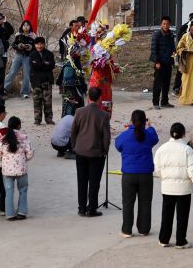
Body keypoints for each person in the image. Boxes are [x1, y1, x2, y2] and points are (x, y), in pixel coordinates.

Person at [154, 122, 193, 248]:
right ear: (183, 134)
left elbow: (158, 169)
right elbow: (192, 170)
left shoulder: (162, 149)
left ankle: (164, 239)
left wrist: (165, 177)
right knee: (182, 215)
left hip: (167, 187)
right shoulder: (187, 149)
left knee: (166, 214)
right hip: (183, 189)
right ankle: (180, 241)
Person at [115, 109, 159, 237]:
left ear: (131, 121)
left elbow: (118, 146)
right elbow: (154, 139)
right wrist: (150, 127)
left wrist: (130, 128)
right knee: (145, 202)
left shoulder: (125, 135)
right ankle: (144, 229)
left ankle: (127, 229)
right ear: (144, 121)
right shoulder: (149, 134)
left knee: (128, 203)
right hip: (146, 174)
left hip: (129, 174)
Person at [71, 86, 111, 217]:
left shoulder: (79, 111)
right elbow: (106, 136)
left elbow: (74, 131)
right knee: (94, 182)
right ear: (100, 98)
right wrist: (105, 150)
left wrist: (75, 146)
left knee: (81, 181)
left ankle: (81, 208)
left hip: (80, 150)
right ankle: (91, 208)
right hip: (96, 152)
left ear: (88, 97)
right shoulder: (104, 115)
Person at [0, 116, 33, 220]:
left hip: (7, 170)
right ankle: (21, 212)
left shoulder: (2, 139)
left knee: (9, 191)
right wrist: (23, 158)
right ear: (19, 125)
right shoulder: (24, 138)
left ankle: (10, 213)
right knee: (23, 190)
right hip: (21, 169)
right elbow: (29, 154)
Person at [150, 16, 176, 110]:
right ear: (161, 24)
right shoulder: (156, 35)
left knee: (166, 84)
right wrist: (156, 62)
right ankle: (155, 103)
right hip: (159, 63)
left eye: (167, 24)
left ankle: (165, 102)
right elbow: (154, 49)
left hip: (168, 63)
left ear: (170, 24)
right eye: (164, 24)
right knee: (158, 83)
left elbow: (173, 47)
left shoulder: (171, 35)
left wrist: (174, 53)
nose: (166, 25)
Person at [28, 36, 55, 125]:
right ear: (35, 45)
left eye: (41, 44)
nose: (39, 46)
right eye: (37, 44)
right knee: (37, 100)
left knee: (47, 101)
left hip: (47, 80)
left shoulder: (49, 54)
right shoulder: (32, 54)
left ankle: (49, 119)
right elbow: (33, 66)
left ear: (44, 44)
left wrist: (40, 64)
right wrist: (44, 64)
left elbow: (51, 65)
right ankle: (37, 119)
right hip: (35, 80)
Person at [4, 20, 35, 99]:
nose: (26, 27)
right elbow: (13, 44)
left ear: (30, 27)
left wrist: (30, 47)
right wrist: (19, 46)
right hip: (18, 55)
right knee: (12, 72)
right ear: (22, 26)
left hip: (27, 57)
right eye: (24, 25)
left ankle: (25, 92)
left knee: (26, 74)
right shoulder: (18, 35)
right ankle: (4, 88)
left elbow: (35, 47)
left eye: (27, 25)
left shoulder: (33, 36)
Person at [60, 45, 87, 118]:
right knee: (70, 110)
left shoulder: (77, 63)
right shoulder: (69, 64)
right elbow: (67, 82)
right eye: (78, 52)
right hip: (71, 92)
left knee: (78, 110)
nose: (80, 53)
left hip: (77, 91)